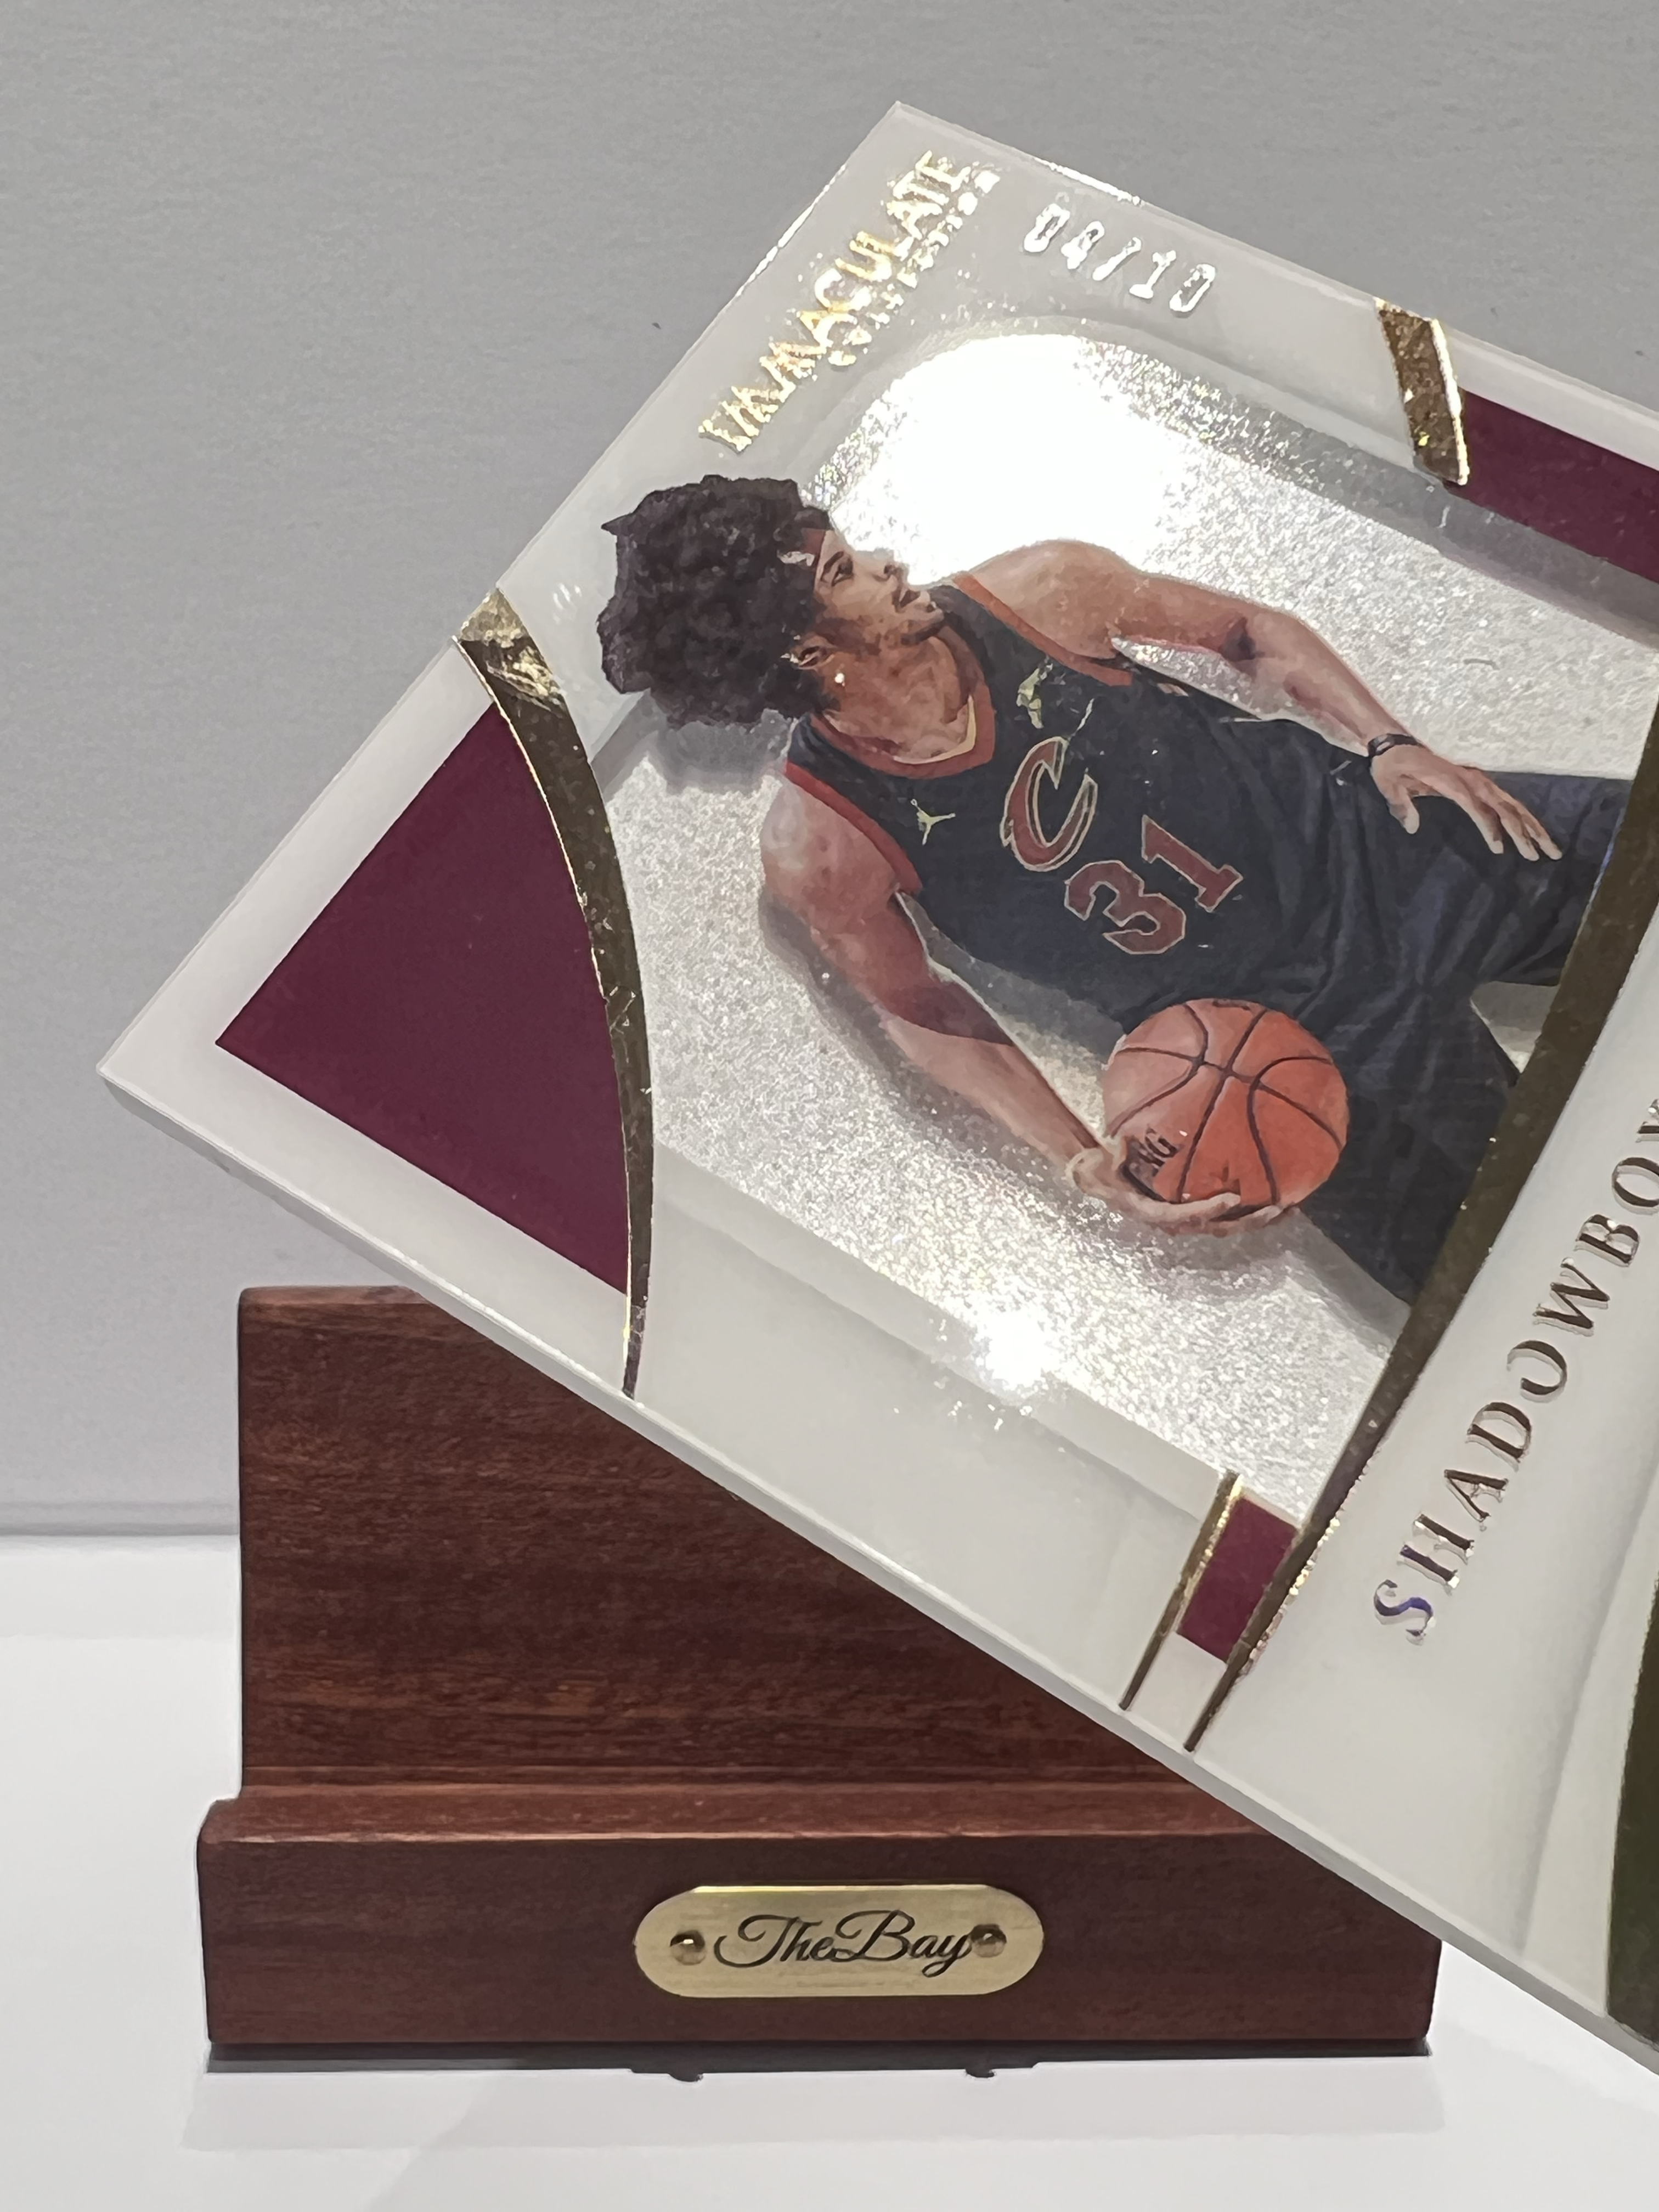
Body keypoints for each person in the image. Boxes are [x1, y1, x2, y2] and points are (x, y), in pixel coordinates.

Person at [597, 474, 1627, 1301]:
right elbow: (923, 1008)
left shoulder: (1041, 591)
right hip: (1282, 1041)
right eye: (845, 570)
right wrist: (1078, 1157)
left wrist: (1392, 743)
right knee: (1524, 1291)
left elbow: (1245, 631)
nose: (886, 561)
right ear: (806, 649)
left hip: (1389, 851)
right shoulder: (823, 845)